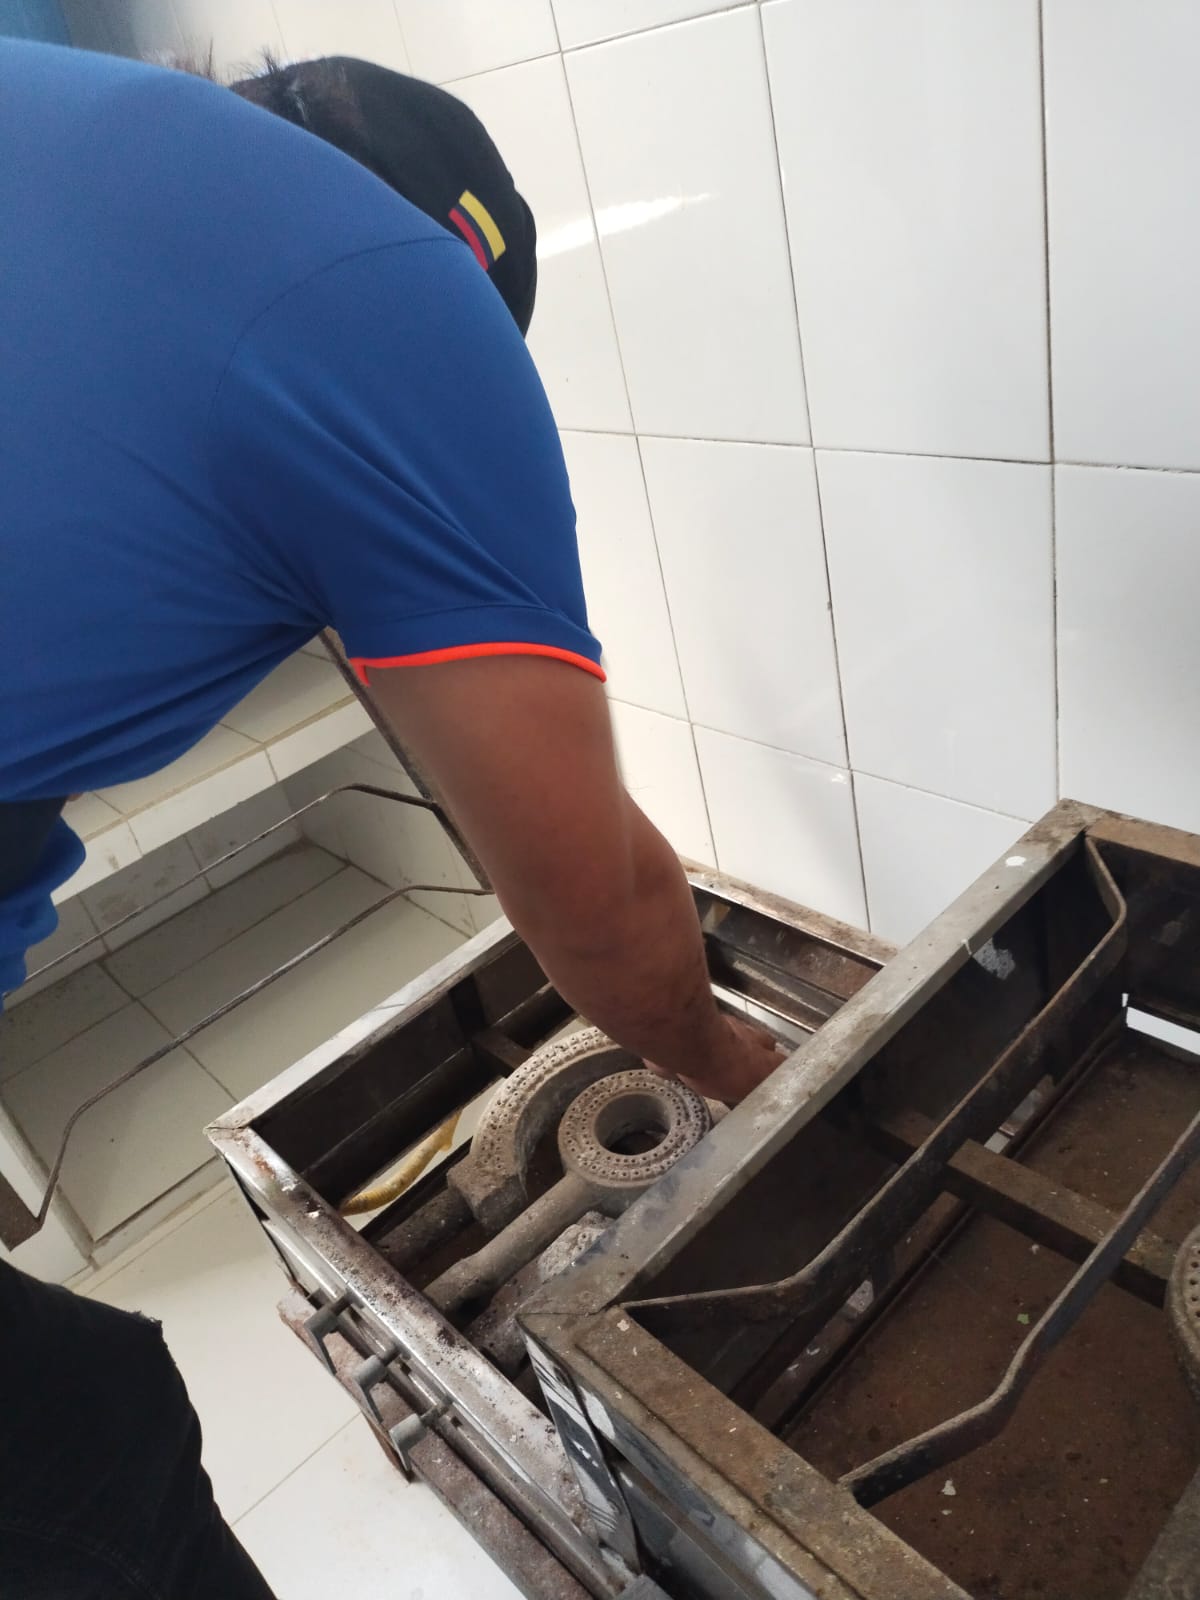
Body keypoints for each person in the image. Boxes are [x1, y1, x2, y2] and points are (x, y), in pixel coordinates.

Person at [0, 43, 778, 1597]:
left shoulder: (74, 126)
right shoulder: (395, 296)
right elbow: (599, 904)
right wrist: (744, 1075)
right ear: (466, 269)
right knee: (95, 1463)